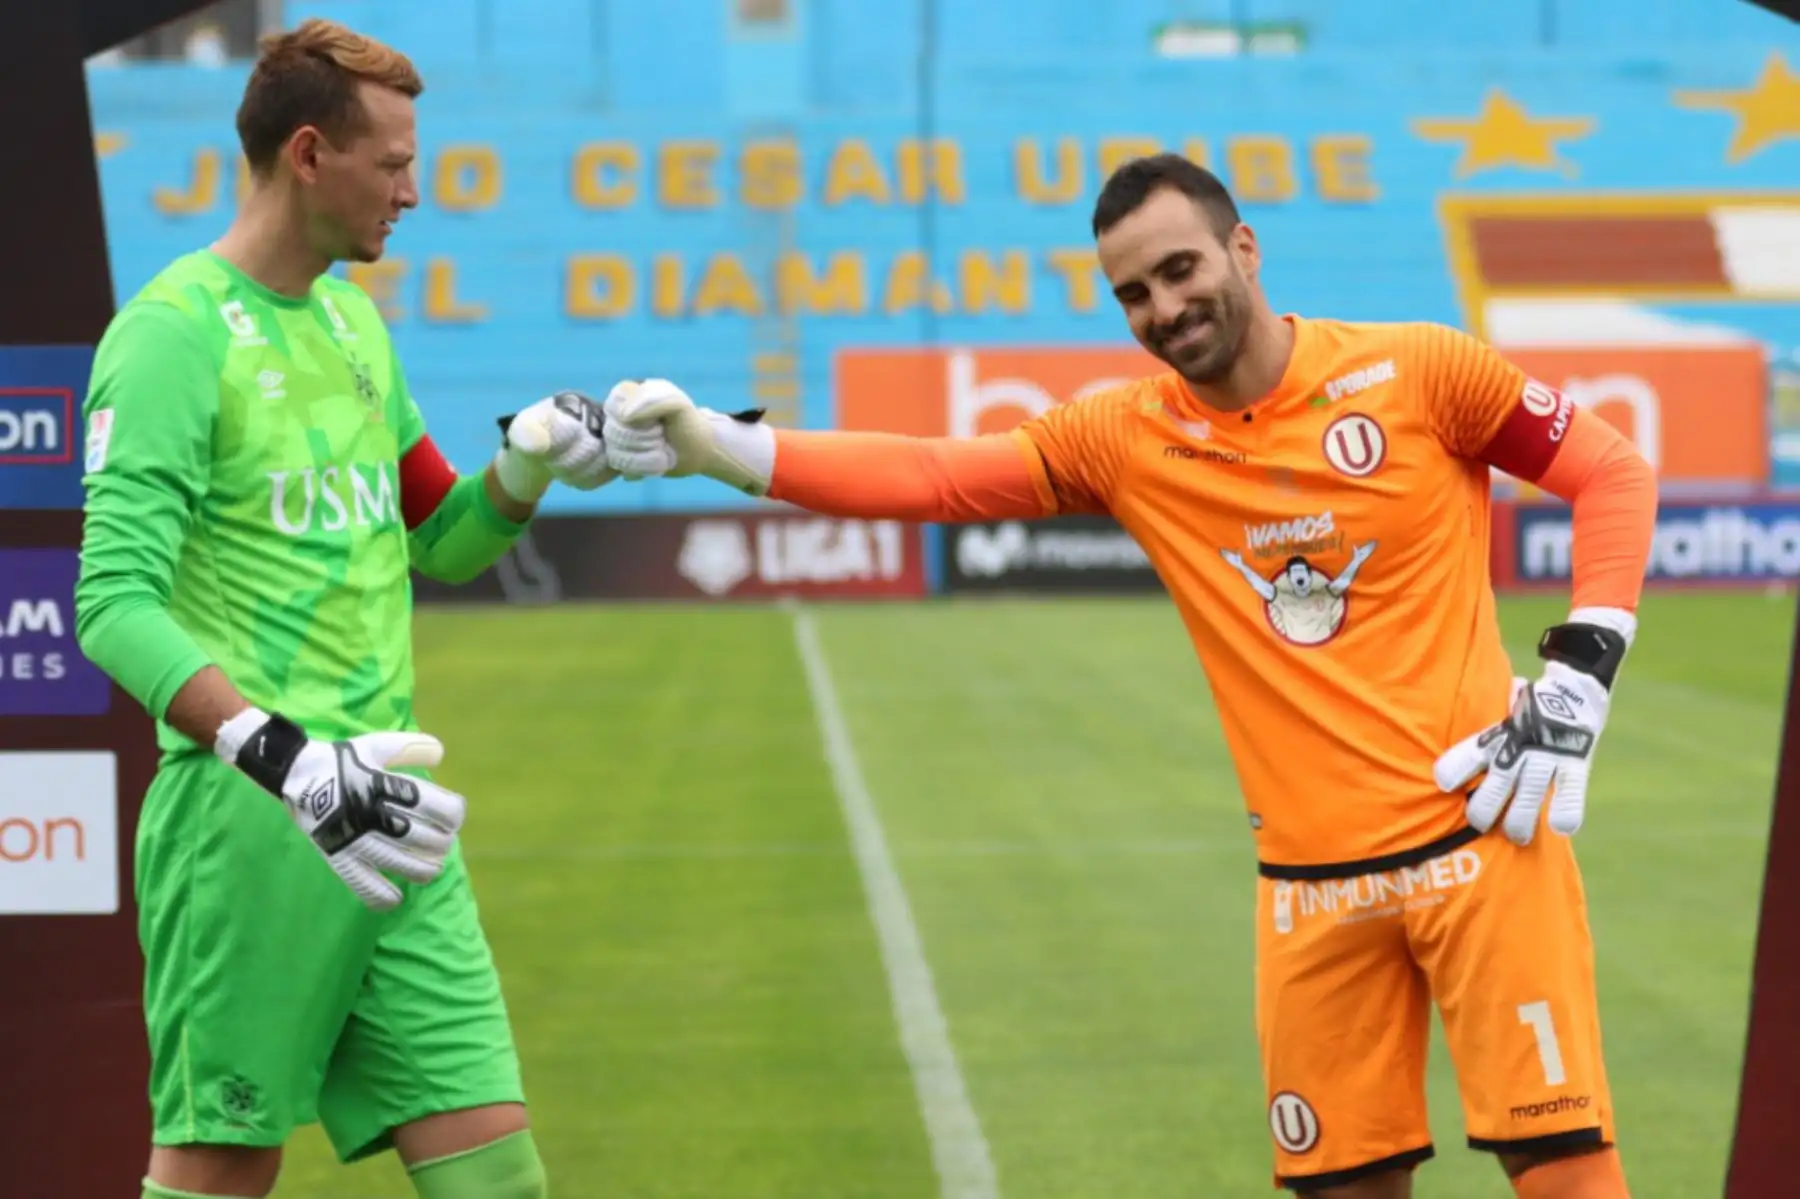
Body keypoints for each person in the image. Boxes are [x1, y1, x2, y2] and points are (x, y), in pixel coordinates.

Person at [580, 154, 1658, 1198]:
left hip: (1482, 842)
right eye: (1133, 292)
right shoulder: (1126, 436)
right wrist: (719, 446)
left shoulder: (1421, 367)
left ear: (1243, 247)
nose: (1163, 307)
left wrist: (1580, 675)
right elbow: (935, 474)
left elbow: (1608, 467)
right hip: (1309, 889)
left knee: (1562, 1170)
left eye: (1181, 269)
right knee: (1344, 1188)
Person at [75, 19, 610, 1199]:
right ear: (310, 154)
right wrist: (287, 759)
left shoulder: (355, 324)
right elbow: (108, 602)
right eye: (395, 164)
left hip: (395, 821)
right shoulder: (169, 336)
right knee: (219, 1172)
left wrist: (525, 469)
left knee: (498, 1178)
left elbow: (442, 539)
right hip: (253, 823)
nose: (413, 192)